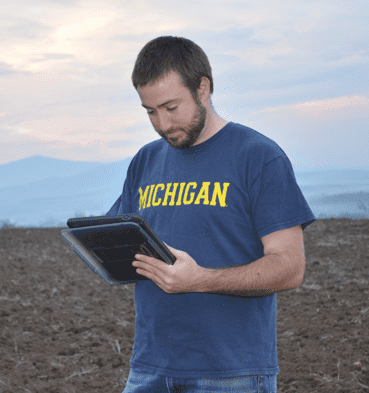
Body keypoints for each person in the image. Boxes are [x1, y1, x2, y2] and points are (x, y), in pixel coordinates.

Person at [106, 36, 315, 393]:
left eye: (172, 107)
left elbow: (290, 268)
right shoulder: (146, 160)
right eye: (151, 111)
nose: (162, 123)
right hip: (150, 367)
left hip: (232, 372)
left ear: (203, 88)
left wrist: (200, 279)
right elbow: (120, 238)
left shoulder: (259, 157)